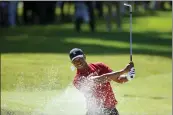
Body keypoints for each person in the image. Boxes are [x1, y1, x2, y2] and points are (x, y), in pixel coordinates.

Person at [69, 48, 135, 115]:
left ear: (84, 57)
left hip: (111, 110)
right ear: (72, 63)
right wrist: (123, 71)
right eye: (75, 61)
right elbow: (100, 79)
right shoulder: (78, 80)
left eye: (80, 58)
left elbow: (119, 79)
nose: (78, 62)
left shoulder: (100, 66)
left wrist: (129, 76)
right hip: (95, 112)